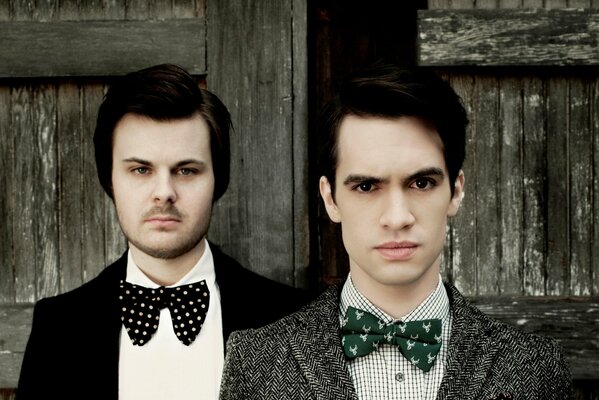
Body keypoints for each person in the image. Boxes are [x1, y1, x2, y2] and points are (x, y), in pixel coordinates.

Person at [219, 64, 573, 399]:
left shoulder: (535, 367)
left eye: (421, 182)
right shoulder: (255, 361)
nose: (397, 216)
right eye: (367, 187)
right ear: (330, 199)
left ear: (456, 191)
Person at [17, 64, 309, 400]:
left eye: (186, 170)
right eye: (140, 169)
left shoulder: (292, 320)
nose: (164, 192)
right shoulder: (58, 328)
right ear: (109, 179)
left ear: (218, 181)